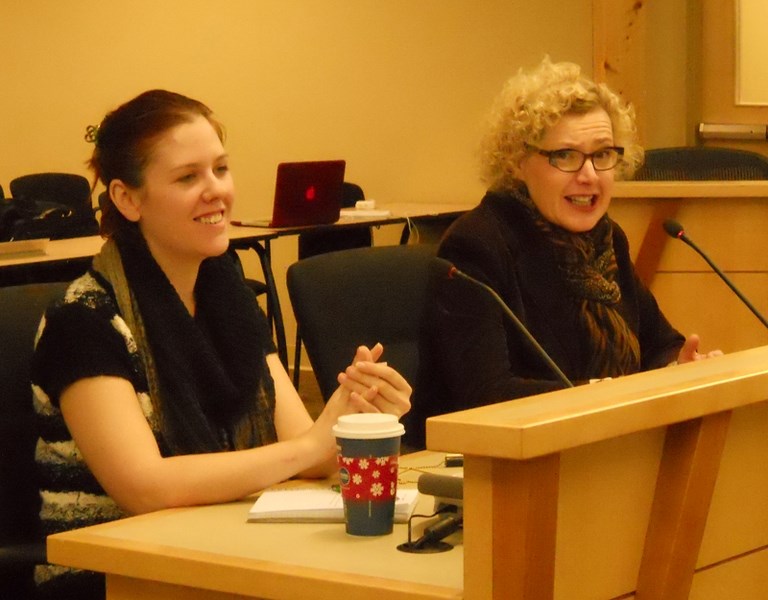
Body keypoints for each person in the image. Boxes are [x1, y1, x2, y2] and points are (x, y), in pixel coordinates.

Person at [30, 90, 412, 598]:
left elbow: (308, 450)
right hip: (112, 578)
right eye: (188, 177)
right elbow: (145, 487)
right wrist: (309, 446)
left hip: (224, 553)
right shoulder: (84, 319)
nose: (216, 191)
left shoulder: (228, 296)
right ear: (128, 198)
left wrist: (353, 415)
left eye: (221, 169)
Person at [412, 57, 720, 448]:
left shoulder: (605, 241)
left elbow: (660, 343)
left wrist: (681, 367)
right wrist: (601, 396)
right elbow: (484, 396)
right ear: (518, 162)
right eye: (566, 156)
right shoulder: (478, 246)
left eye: (603, 154)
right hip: (484, 469)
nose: (589, 175)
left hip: (598, 449)